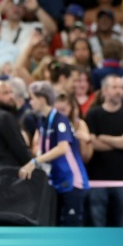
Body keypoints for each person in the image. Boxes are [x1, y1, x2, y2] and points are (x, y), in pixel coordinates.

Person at [19, 81, 89, 227]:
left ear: (42, 99)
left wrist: (34, 162)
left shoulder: (60, 120)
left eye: (32, 98)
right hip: (57, 181)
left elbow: (63, 148)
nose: (30, 102)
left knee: (71, 228)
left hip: (72, 181)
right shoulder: (43, 122)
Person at [85, 74, 123, 227]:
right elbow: (92, 144)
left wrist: (103, 137)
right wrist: (120, 141)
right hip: (97, 179)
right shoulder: (93, 114)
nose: (119, 91)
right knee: (97, 223)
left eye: (121, 87)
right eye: (115, 87)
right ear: (104, 90)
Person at [0, 81, 32, 185]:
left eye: (11, 92)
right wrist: (33, 164)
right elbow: (19, 147)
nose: (11, 96)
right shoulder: (5, 117)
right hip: (10, 176)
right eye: (5, 93)